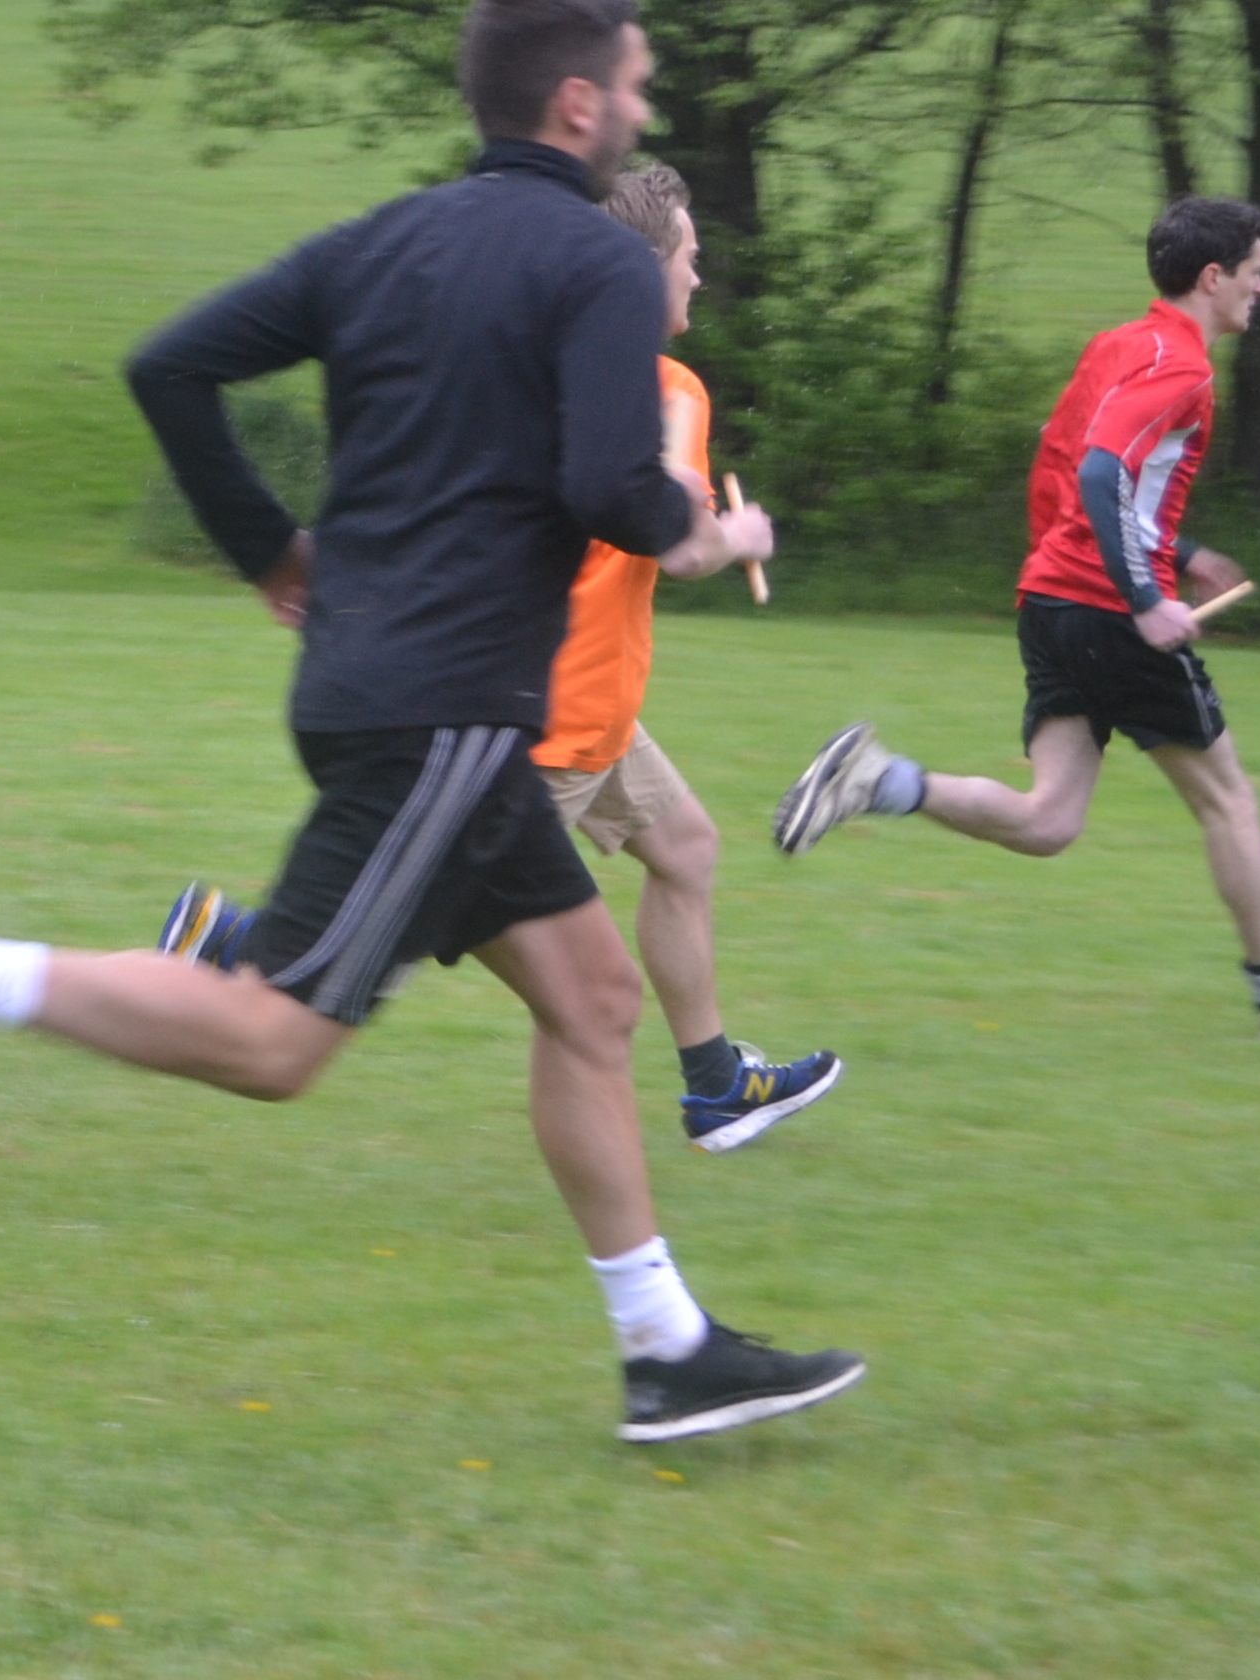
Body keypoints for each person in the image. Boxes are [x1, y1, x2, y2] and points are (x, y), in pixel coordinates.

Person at [0, 0, 860, 1446]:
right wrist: (711, 526)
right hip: (445, 708)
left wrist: (269, 551)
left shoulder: (390, 238)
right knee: (273, 1043)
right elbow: (610, 491)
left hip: (392, 689)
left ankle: (664, 1348)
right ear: (576, 103)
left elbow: (172, 366)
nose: (641, 106)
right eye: (631, 84)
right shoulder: (599, 262)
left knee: (592, 999)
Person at [165, 159, 842, 1153]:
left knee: (686, 847)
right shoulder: (671, 389)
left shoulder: (537, 364)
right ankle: (240, 944)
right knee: (416, 933)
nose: (699, 276)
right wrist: (739, 536)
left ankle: (716, 1083)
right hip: (549, 724)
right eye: (690, 258)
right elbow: (680, 540)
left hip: (588, 711)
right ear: (644, 267)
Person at [773, 195, 1260, 1036]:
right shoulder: (1182, 368)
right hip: (1108, 611)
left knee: (1049, 820)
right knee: (1229, 802)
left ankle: (879, 780)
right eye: (1256, 272)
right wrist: (1145, 601)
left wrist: (1174, 552)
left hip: (1054, 601)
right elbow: (1098, 476)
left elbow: (1061, 473)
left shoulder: (1118, 346)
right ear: (1214, 277)